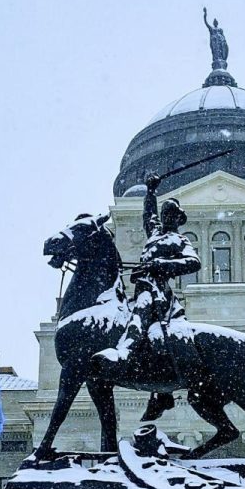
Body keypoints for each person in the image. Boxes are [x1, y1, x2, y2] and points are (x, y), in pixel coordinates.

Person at [95, 172, 200, 409]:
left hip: (157, 290)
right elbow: (147, 214)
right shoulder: (154, 232)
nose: (165, 218)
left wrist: (162, 265)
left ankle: (124, 351)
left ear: (178, 219)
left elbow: (194, 263)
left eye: (171, 215)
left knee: (141, 308)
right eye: (164, 214)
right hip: (143, 284)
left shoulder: (180, 241)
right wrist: (150, 191)